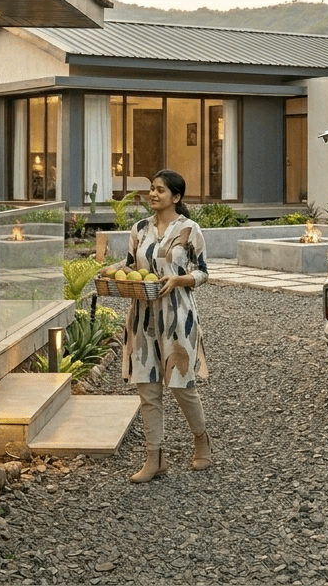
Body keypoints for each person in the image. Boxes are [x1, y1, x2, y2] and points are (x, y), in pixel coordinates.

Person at [102, 169, 212, 483]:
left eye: (160, 190)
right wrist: (107, 273)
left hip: (178, 316)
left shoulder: (190, 230)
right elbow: (128, 267)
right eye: (151, 189)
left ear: (175, 197)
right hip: (141, 317)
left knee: (181, 385)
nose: (153, 194)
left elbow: (203, 273)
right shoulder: (139, 229)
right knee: (147, 389)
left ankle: (201, 440)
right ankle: (155, 458)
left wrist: (179, 279)